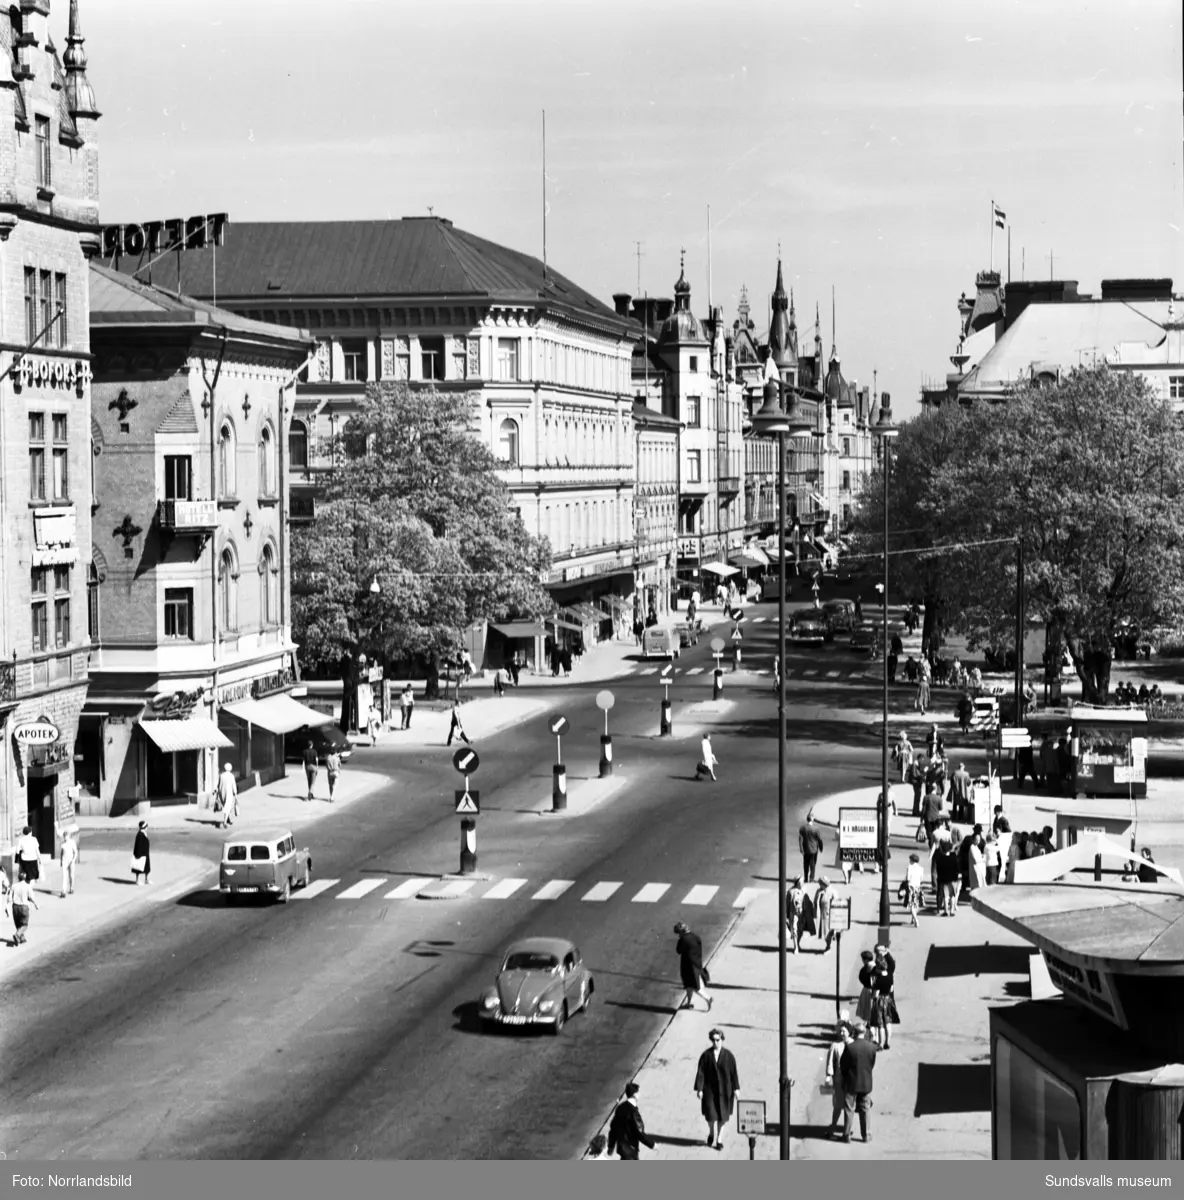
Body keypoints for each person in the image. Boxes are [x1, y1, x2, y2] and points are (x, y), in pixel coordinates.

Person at [694, 1028, 740, 1151]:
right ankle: (711, 1132)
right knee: (710, 1116)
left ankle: (719, 1140)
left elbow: (733, 1073)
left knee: (722, 1117)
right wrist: (699, 1089)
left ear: (722, 1039)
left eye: (718, 1040)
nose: (715, 1043)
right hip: (710, 1092)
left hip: (725, 1091)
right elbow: (701, 1072)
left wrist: (736, 1088)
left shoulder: (729, 1056)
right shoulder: (706, 1056)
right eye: (713, 1040)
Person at [840, 1019, 878, 1143]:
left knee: (849, 1109)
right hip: (866, 1083)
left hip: (851, 1083)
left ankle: (846, 1135)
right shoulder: (872, 1047)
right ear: (864, 1032)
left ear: (854, 1033)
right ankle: (866, 1135)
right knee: (865, 1109)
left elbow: (843, 1065)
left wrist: (846, 1077)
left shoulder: (850, 1048)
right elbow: (872, 1064)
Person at [606, 1082, 656, 1160]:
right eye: (638, 1092)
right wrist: (652, 1144)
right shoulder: (633, 1112)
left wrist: (611, 1146)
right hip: (631, 1149)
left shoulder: (620, 1107)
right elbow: (639, 1132)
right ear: (634, 1095)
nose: (640, 1094)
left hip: (622, 1148)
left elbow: (613, 1127)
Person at [674, 921, 712, 1012]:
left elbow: (678, 950)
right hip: (697, 964)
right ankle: (689, 1003)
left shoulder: (684, 940)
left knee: (695, 986)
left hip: (688, 966)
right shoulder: (696, 937)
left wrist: (680, 940)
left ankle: (708, 998)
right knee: (689, 986)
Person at [824, 1017, 853, 1136]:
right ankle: (833, 1127)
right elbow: (830, 1062)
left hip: (850, 1080)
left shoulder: (854, 1045)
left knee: (849, 1107)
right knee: (838, 1106)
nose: (841, 1033)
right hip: (839, 1080)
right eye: (840, 1031)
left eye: (844, 1031)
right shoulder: (835, 1046)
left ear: (849, 1032)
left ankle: (846, 1130)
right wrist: (828, 1076)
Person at [870, 947, 897, 1049]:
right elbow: (891, 989)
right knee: (888, 1023)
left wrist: (873, 996)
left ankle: (880, 1044)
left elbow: (875, 995)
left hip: (880, 1001)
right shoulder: (890, 975)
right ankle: (887, 1043)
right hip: (888, 1000)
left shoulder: (879, 980)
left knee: (880, 1024)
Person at [6, 870, 39, 946]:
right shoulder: (27, 886)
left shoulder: (14, 886)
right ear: (25, 878)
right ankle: (17, 935)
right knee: (24, 925)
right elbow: (31, 897)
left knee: (18, 924)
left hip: (15, 907)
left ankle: (22, 938)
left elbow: (9, 898)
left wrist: (7, 907)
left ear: (18, 878)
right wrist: (35, 904)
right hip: (24, 907)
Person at [798, 813, 825, 882]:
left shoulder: (803, 828)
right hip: (814, 849)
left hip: (806, 849)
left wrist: (801, 848)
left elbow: (800, 838)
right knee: (813, 864)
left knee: (806, 864)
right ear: (812, 819)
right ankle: (811, 878)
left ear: (807, 819)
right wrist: (821, 847)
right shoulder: (816, 828)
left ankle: (806, 877)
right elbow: (819, 839)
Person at [855, 949, 876, 1023]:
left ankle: (870, 1024)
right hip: (869, 989)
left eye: (863, 959)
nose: (862, 961)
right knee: (869, 1008)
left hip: (869, 990)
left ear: (866, 960)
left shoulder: (869, 967)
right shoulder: (874, 965)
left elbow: (873, 982)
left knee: (869, 1008)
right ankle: (869, 1023)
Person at [215, 761, 238, 828]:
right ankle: (225, 822)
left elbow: (218, 784)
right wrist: (235, 794)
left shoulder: (221, 775)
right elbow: (234, 785)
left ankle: (228, 819)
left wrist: (216, 791)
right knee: (227, 807)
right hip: (229, 793)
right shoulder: (231, 776)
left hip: (222, 793)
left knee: (226, 805)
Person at [815, 876, 835, 951]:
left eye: (820, 883)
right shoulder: (819, 891)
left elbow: (836, 903)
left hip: (829, 915)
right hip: (820, 915)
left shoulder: (832, 891)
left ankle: (828, 946)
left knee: (827, 933)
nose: (819, 885)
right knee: (823, 933)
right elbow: (815, 901)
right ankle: (828, 945)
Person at [905, 853, 924, 925]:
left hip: (911, 887)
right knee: (916, 904)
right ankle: (913, 919)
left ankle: (916, 919)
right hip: (918, 887)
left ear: (912, 860)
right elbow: (921, 879)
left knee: (911, 905)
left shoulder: (909, 867)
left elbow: (908, 878)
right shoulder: (921, 868)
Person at [59, 828, 78, 897]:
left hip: (71, 861)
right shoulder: (63, 844)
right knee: (64, 876)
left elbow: (75, 852)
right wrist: (61, 861)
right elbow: (61, 853)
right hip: (65, 861)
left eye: (66, 836)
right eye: (64, 836)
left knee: (71, 876)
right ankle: (63, 891)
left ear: (69, 836)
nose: (65, 837)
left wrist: (73, 860)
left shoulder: (72, 842)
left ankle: (71, 888)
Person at [131, 820, 151, 886]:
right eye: (146, 826)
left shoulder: (144, 833)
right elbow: (138, 845)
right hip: (141, 854)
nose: (147, 828)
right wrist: (138, 855)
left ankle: (146, 879)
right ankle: (137, 880)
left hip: (146, 853)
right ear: (144, 827)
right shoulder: (140, 834)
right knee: (138, 868)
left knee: (147, 867)